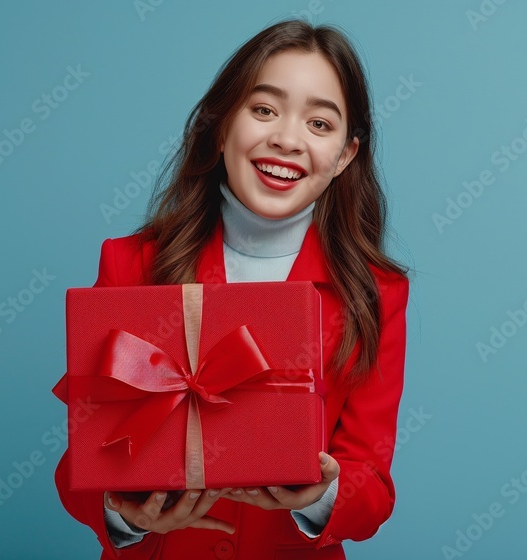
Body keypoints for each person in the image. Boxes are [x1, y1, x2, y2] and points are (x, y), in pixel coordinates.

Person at [53, 18, 411, 559]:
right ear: (220, 128)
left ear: (344, 155)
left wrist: (322, 495)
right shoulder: (132, 263)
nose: (287, 139)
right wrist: (122, 512)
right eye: (263, 109)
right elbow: (82, 462)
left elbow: (373, 486)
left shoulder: (376, 292)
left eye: (319, 123)